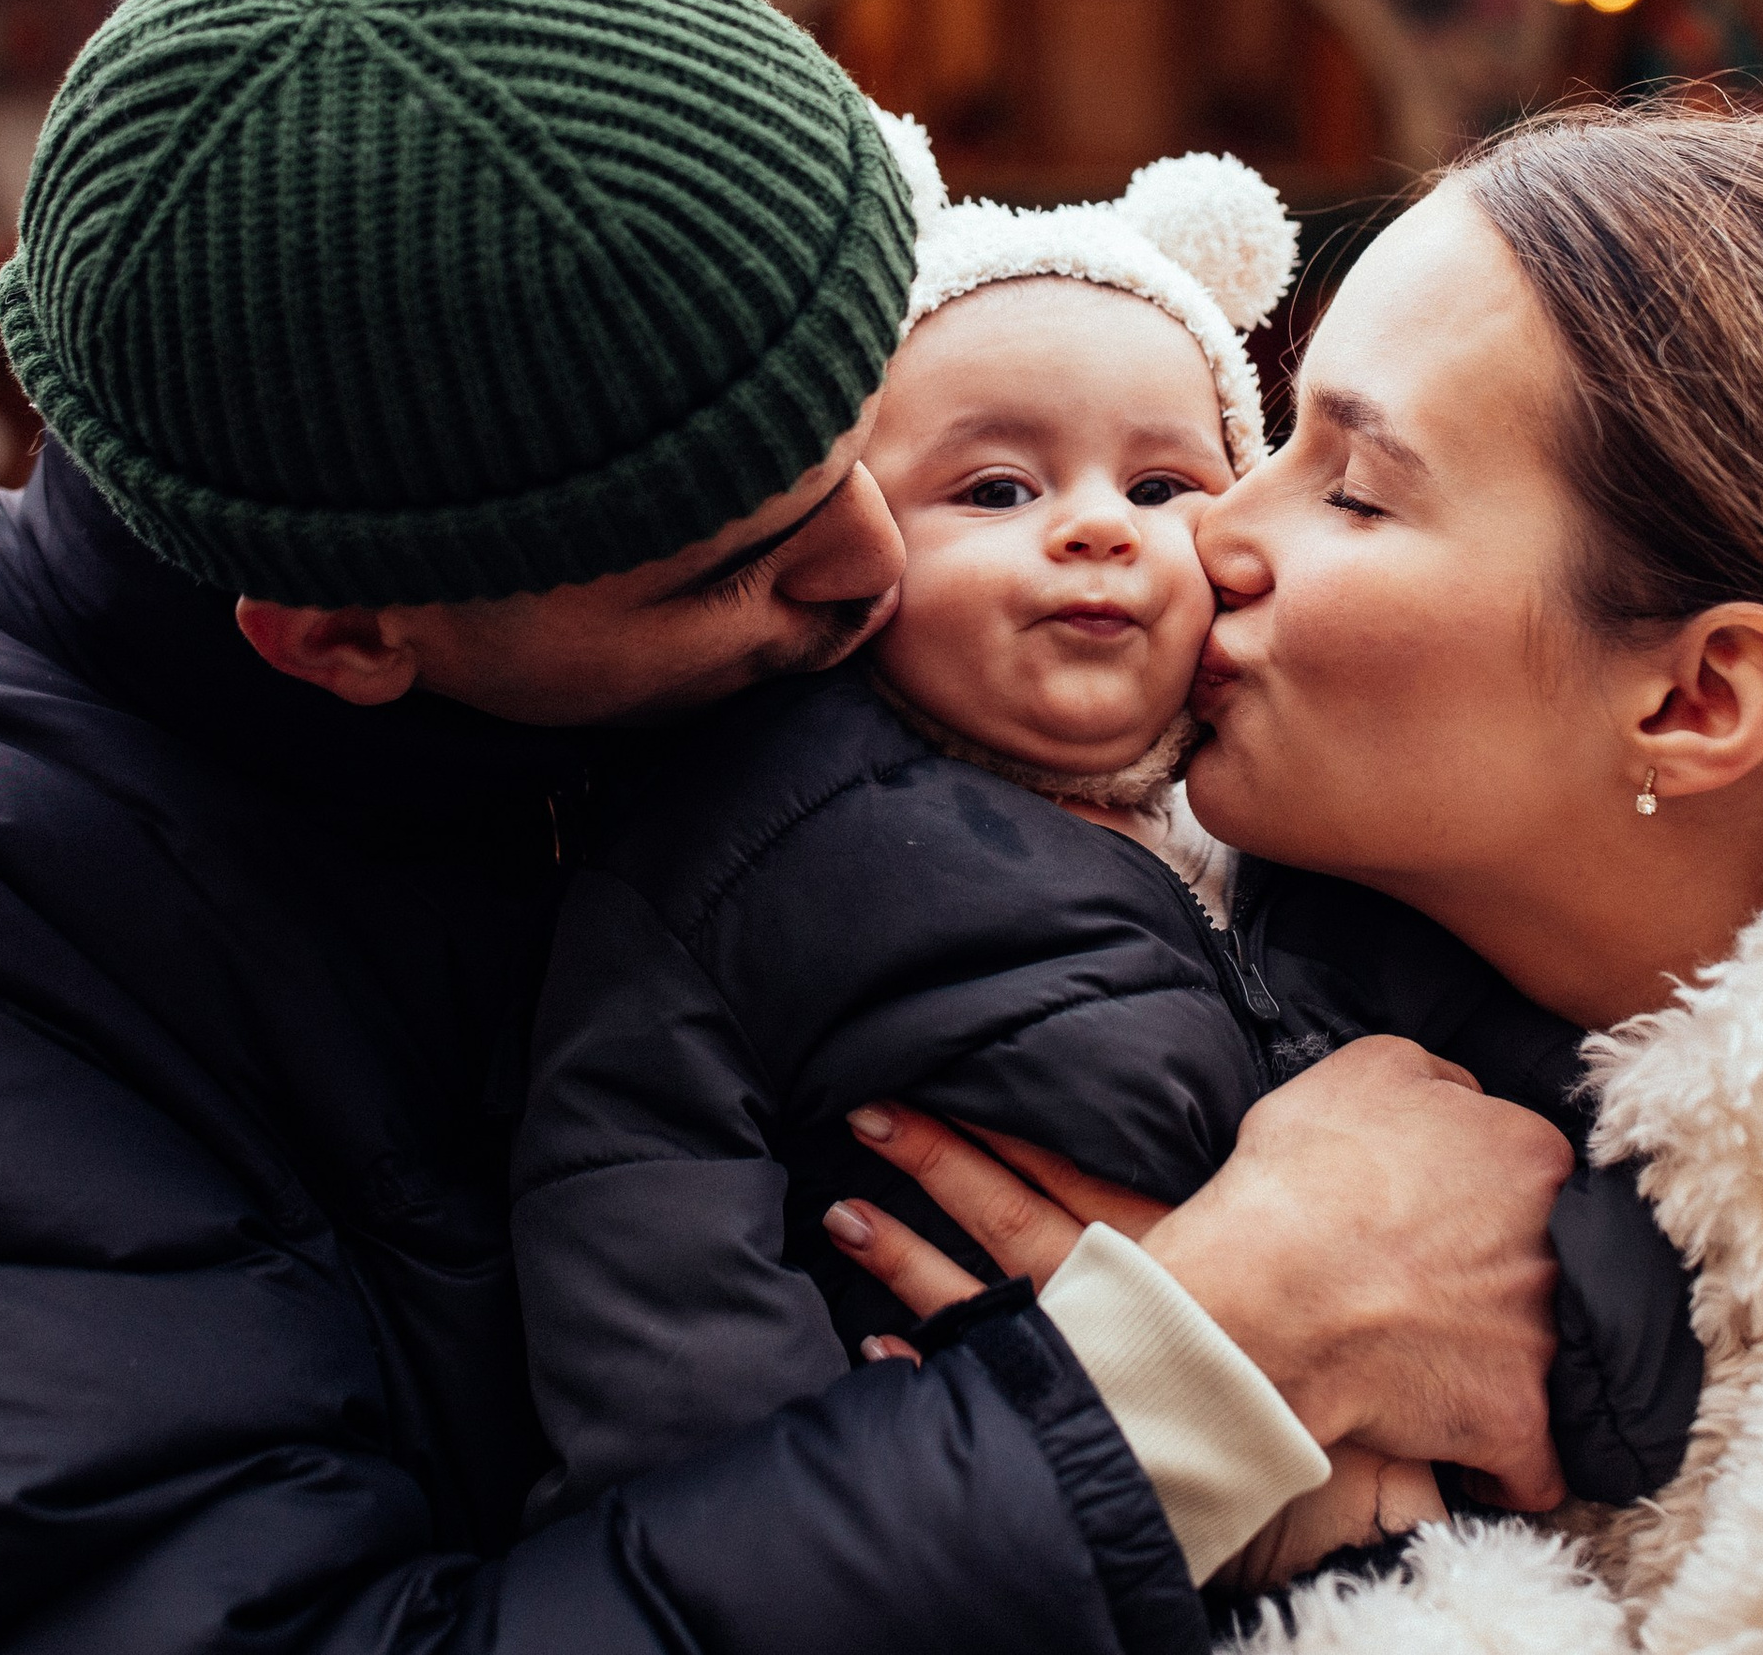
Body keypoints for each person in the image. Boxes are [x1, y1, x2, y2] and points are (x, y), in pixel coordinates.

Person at [0, 0, 1575, 1655]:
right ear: (340, 636)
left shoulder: (675, 710)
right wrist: (1208, 1380)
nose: (873, 565)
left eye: (865, 447)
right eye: (736, 559)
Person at [833, 103, 1763, 1654]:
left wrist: (1300, 1530)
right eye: (1277, 437)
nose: (1211, 526)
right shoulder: (1181, 914)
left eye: (1354, 489)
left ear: (1697, 702)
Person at [513, 127, 1700, 1564]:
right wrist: (875, 1491)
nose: (1094, 530)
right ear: (855, 538)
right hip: (999, 1531)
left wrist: (1579, 1369)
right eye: (998, 492)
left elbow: (1556, 1134)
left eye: (1162, 489)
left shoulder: (1319, 829)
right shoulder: (736, 847)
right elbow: (655, 1274)